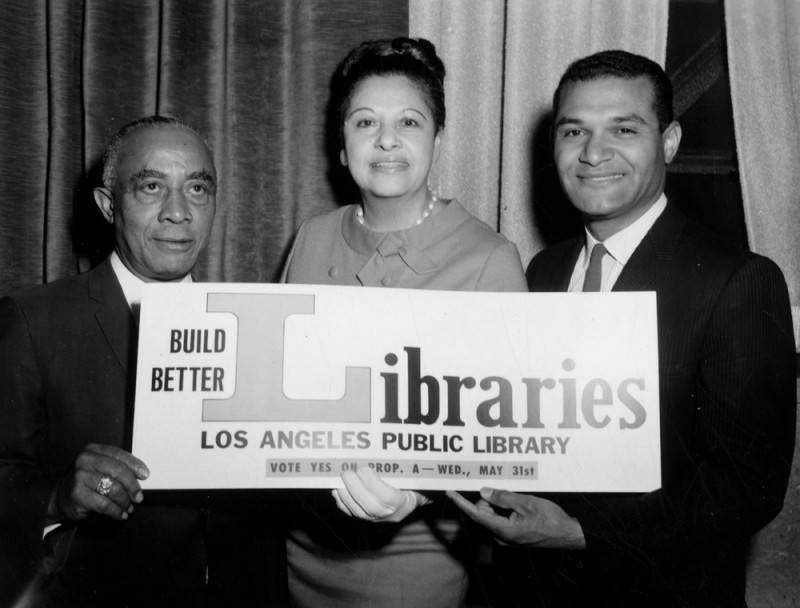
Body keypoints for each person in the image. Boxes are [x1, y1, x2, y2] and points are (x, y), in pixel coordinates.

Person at [448, 49, 797, 607]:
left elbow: (748, 488)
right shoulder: (543, 270)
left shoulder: (740, 281)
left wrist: (581, 533)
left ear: (670, 142)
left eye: (624, 129)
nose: (592, 153)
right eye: (573, 131)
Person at [281, 37, 528, 607]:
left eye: (409, 122)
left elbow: (507, 438)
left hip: (416, 558)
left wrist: (417, 494)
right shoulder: (312, 237)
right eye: (365, 121)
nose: (387, 139)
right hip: (304, 550)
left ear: (436, 141)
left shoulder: (490, 258)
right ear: (340, 146)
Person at [0, 116, 280, 607]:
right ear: (108, 206)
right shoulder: (31, 320)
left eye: (198, 188)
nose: (179, 212)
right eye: (151, 186)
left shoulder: (257, 322)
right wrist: (58, 497)